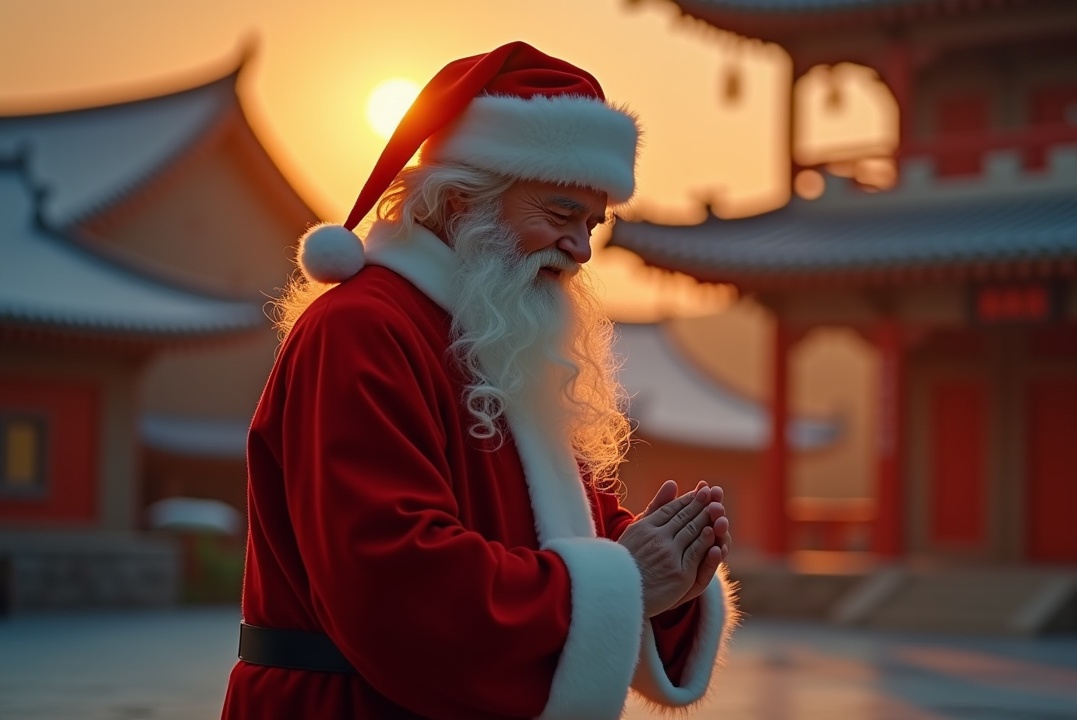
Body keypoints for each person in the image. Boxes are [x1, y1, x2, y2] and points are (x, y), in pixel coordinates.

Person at [221, 41, 737, 720]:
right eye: (559, 215)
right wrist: (626, 579)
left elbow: (580, 537)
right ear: (460, 202)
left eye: (591, 224)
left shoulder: (502, 340)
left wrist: (673, 570)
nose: (581, 249)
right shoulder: (360, 330)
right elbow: (396, 582)